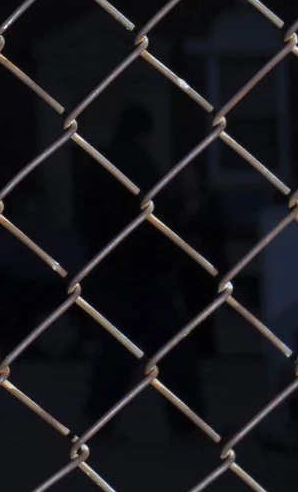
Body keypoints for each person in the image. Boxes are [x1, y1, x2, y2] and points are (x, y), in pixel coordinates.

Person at [73, 105, 209, 436]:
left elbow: (85, 217)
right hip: (147, 270)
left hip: (110, 267)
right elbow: (162, 213)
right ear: (145, 133)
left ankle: (100, 419)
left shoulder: (99, 165)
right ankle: (186, 420)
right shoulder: (142, 165)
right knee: (172, 350)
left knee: (116, 348)